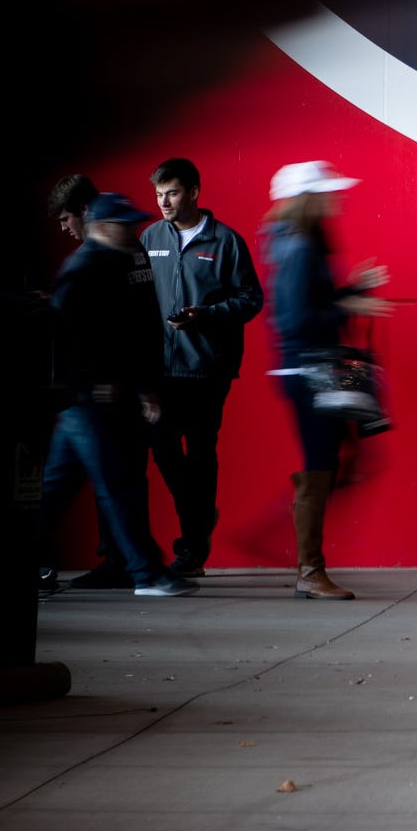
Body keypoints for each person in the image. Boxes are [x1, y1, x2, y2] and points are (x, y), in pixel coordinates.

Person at [43, 192, 192, 599]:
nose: (132, 230)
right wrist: (89, 383)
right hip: (88, 400)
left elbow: (139, 330)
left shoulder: (123, 260)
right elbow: (64, 336)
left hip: (102, 398)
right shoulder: (85, 267)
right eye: (124, 224)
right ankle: (146, 573)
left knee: (58, 488)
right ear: (102, 227)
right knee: (117, 483)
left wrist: (145, 387)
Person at [263, 160, 388, 601]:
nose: (336, 198)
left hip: (306, 370)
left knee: (333, 462)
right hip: (307, 372)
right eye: (327, 192)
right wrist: (351, 308)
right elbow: (295, 319)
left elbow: (310, 304)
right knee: (323, 465)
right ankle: (308, 570)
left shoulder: (299, 242)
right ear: (307, 200)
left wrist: (352, 291)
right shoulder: (298, 247)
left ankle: (297, 552)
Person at [142, 158, 265, 578]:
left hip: (208, 369)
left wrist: (206, 316)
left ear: (194, 191)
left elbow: (252, 299)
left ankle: (191, 549)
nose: (164, 202)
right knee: (161, 447)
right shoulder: (150, 238)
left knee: (200, 453)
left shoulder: (226, 241)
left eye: (172, 193)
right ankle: (198, 515)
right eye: (159, 194)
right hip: (160, 368)